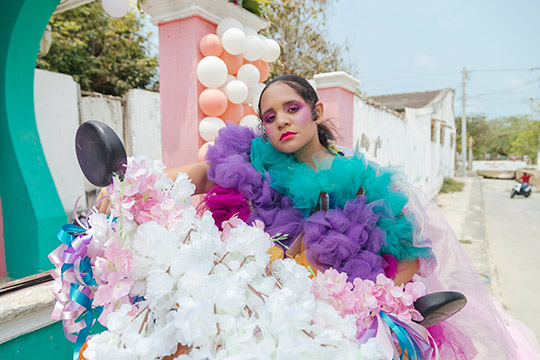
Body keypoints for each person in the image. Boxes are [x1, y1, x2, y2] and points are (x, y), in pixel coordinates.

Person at [96, 75, 519, 358]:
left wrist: (379, 308)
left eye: (291, 108)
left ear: (315, 112)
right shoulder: (252, 161)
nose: (280, 120)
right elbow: (200, 173)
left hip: (332, 321)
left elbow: (407, 257)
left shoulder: (359, 180)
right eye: (269, 116)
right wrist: (130, 182)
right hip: (253, 306)